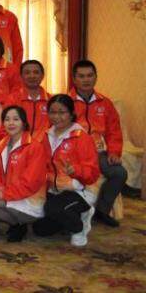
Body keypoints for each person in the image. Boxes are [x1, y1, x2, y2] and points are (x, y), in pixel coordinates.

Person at [0, 106, 47, 242]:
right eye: (7, 119)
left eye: (16, 119)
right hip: (7, 196)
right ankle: (15, 221)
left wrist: (4, 194)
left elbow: (31, 182)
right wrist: (0, 189)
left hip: (29, 199)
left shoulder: (35, 147)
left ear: (24, 123)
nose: (11, 123)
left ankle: (18, 225)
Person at [32, 94, 100, 247]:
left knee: (52, 208)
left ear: (71, 113)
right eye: (52, 112)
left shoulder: (81, 137)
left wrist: (76, 170)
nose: (57, 117)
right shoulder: (46, 135)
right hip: (55, 190)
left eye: (62, 112)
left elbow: (93, 173)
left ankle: (79, 227)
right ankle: (69, 216)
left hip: (79, 190)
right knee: (40, 229)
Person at [69, 60, 126, 228]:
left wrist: (114, 152)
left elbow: (114, 131)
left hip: (98, 153)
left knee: (119, 173)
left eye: (89, 75)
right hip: (73, 154)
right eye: (81, 76)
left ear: (96, 77)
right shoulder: (65, 102)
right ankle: (72, 213)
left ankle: (101, 211)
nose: (86, 80)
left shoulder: (105, 103)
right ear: (74, 79)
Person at [2, 60, 51, 139]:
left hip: (45, 144)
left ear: (42, 76)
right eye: (27, 73)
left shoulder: (51, 100)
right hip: (19, 144)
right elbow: (5, 127)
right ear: (21, 76)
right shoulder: (12, 99)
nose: (32, 76)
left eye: (36, 72)